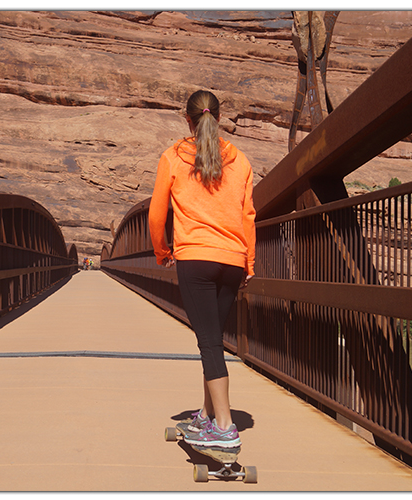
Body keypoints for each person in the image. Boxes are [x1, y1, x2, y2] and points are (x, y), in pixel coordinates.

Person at [148, 90, 256, 448]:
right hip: (232, 261)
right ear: (219, 119)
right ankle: (207, 415)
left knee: (208, 342)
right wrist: (249, 262)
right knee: (214, 338)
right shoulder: (239, 160)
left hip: (196, 259)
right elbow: (248, 216)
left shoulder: (173, 157)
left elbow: (156, 215)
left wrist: (163, 251)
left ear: (188, 120)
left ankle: (224, 427)